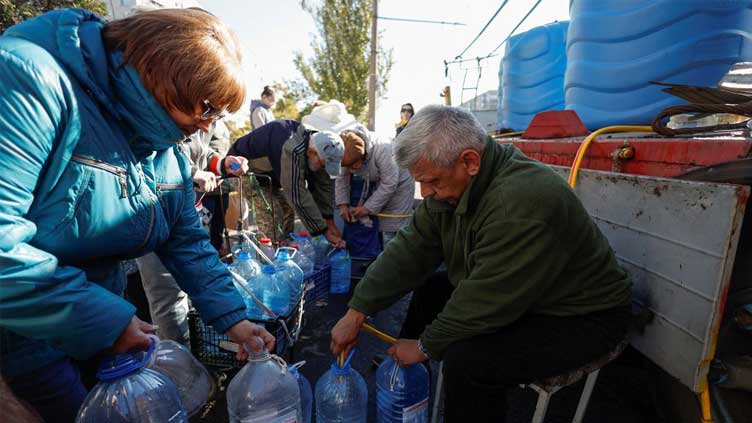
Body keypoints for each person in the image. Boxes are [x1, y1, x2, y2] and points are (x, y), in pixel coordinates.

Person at [0, 8, 273, 422]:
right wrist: (106, 322)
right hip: (21, 333)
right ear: (163, 76)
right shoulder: (30, 81)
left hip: (91, 324)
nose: (205, 127)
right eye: (206, 108)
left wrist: (234, 319)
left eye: (217, 116)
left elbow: (188, 245)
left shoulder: (165, 154)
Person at [330, 105, 632, 422]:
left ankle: (422, 365)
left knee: (468, 362)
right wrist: (358, 310)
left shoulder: (521, 201)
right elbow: (411, 248)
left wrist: (426, 345)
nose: (425, 192)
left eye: (431, 181)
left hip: (581, 315)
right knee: (433, 288)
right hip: (525, 290)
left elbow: (488, 297)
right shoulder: (454, 186)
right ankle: (408, 378)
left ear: (470, 162)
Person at [136, 121, 249, 346]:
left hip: (185, 208)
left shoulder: (200, 117)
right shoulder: (150, 122)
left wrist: (222, 163)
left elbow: (200, 150)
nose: (208, 126)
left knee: (190, 279)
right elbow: (151, 157)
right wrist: (192, 174)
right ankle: (178, 362)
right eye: (208, 110)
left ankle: (189, 351)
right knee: (167, 294)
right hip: (152, 210)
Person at [228, 119, 354, 247]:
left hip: (268, 174)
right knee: (272, 213)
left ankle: (285, 249)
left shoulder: (320, 146)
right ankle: (269, 258)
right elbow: (296, 194)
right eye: (322, 164)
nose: (323, 168)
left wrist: (329, 220)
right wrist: (323, 230)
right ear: (311, 153)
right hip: (241, 170)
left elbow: (323, 185)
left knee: (287, 210)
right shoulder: (291, 148)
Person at [336, 124, 415, 248]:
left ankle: (392, 256)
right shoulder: (344, 148)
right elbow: (342, 177)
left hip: (400, 183)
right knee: (375, 221)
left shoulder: (384, 149)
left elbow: (389, 183)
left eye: (355, 164)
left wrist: (367, 208)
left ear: (363, 154)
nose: (353, 169)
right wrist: (343, 205)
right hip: (379, 180)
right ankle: (376, 253)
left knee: (392, 224)